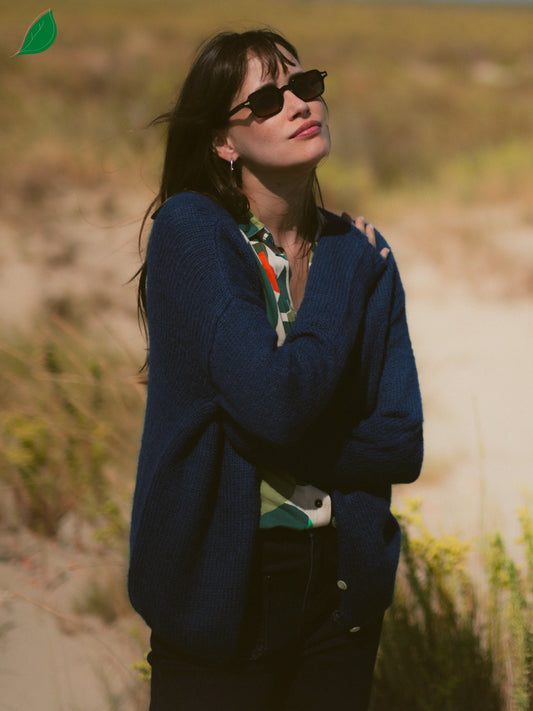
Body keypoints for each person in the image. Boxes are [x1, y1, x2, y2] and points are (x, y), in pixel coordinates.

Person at [128, 28, 423, 711]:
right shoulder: (193, 231)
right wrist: (276, 418)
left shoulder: (362, 255)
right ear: (223, 143)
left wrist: (263, 440)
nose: (295, 104)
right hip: (217, 586)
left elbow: (400, 442)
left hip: (340, 593)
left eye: (304, 85)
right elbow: (276, 402)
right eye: (264, 98)